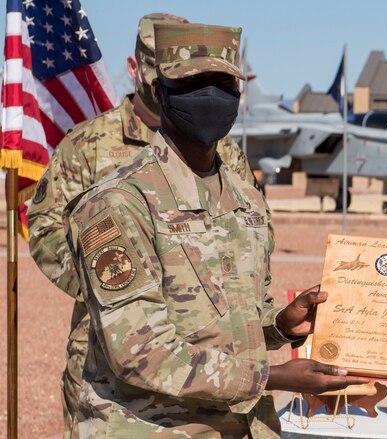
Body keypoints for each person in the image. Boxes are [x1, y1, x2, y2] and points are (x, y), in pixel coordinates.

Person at [63, 22, 366, 437]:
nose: (210, 96)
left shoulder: (245, 197)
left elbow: (233, 317)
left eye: (224, 82)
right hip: (152, 427)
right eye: (192, 83)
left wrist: (281, 325)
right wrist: (274, 378)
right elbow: (139, 352)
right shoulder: (120, 203)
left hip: (245, 427)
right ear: (160, 91)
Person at [27, 13, 256, 437]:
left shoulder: (224, 150)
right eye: (153, 62)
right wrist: (128, 288)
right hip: (114, 363)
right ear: (136, 68)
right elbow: (44, 231)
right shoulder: (87, 145)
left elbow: (247, 235)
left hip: (212, 365)